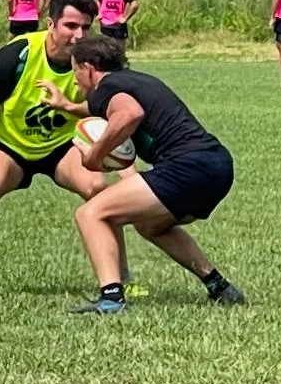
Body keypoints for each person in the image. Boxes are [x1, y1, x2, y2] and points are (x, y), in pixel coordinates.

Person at [0, 0, 141, 298]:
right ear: (51, 24)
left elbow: (116, 117)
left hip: (64, 146)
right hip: (10, 145)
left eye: (85, 27)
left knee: (98, 189)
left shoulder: (93, 63)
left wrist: (127, 169)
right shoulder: (17, 56)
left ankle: (122, 278)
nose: (79, 35)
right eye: (70, 26)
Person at [38, 35, 245, 314]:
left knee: (90, 213)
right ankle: (219, 286)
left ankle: (111, 299)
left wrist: (95, 156)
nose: (74, 79)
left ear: (88, 68)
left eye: (75, 70)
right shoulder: (132, 81)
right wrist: (66, 106)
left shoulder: (107, 87)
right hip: (217, 166)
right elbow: (109, 108)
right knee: (151, 226)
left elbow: (128, 114)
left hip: (186, 167)